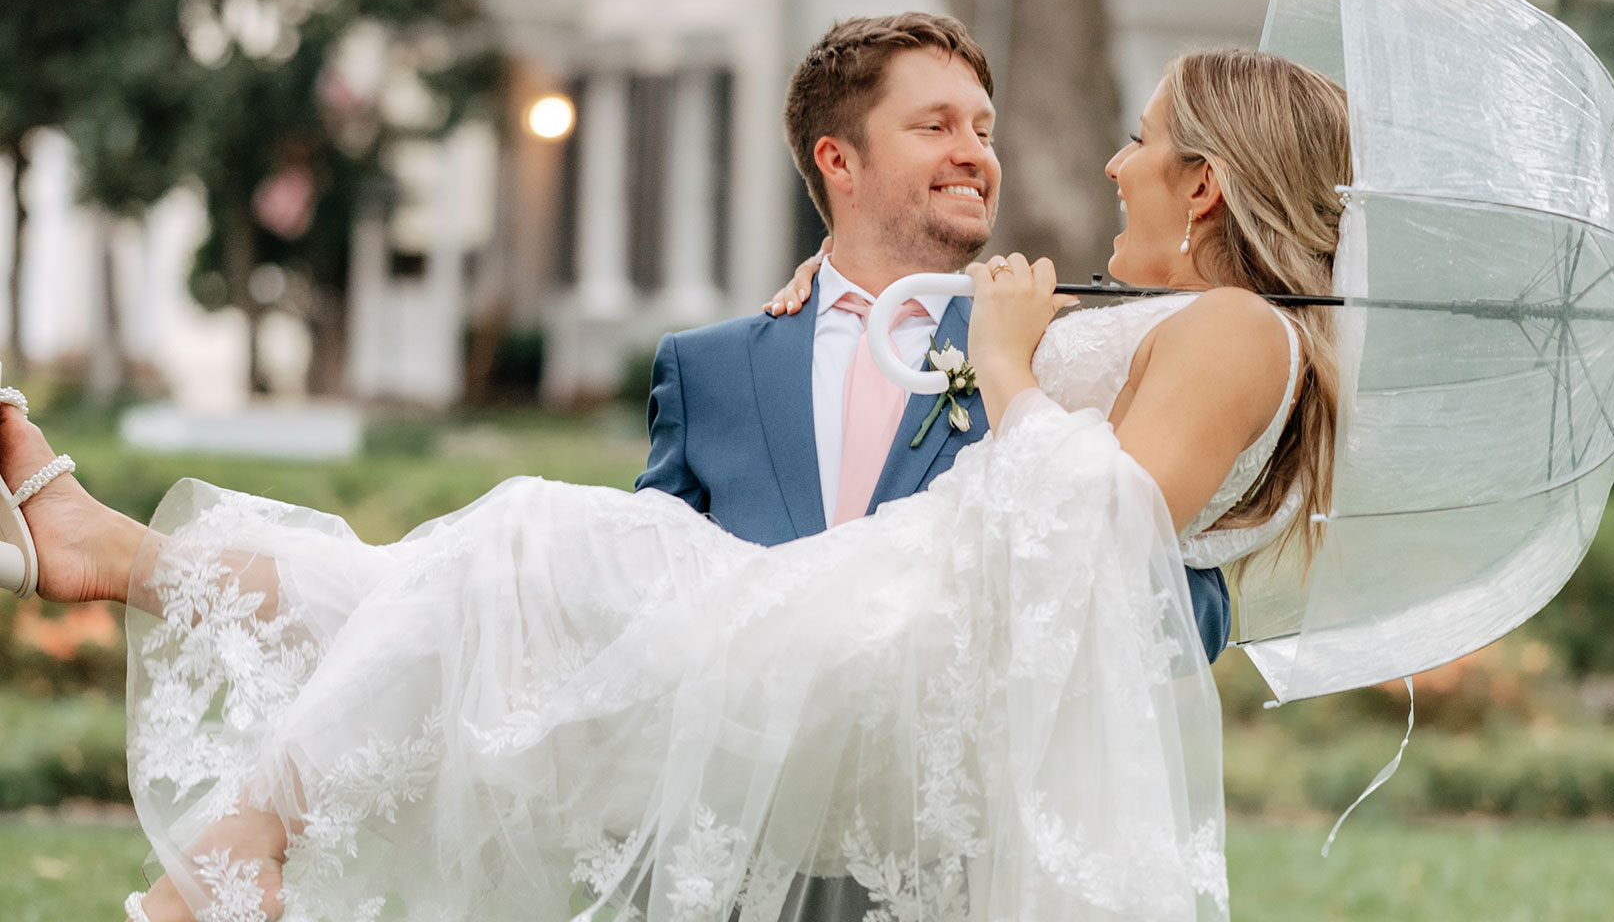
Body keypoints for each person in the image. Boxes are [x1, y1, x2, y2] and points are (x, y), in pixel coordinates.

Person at [0, 46, 1346, 922]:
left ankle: (226, 826)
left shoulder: (1241, 331)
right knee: (466, 594)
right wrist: (836, 305)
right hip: (878, 631)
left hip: (900, 666)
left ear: (1209, 187)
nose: (1114, 163)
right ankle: (115, 567)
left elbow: (1105, 539)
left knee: (525, 549)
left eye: (1143, 140)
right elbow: (987, 381)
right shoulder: (1196, 325)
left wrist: (999, 360)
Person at [636, 13, 1232, 666]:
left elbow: (1187, 617)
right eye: (936, 126)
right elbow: (643, 602)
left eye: (984, 130)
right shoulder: (706, 371)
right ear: (838, 159)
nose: (975, 153)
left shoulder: (1048, 363)